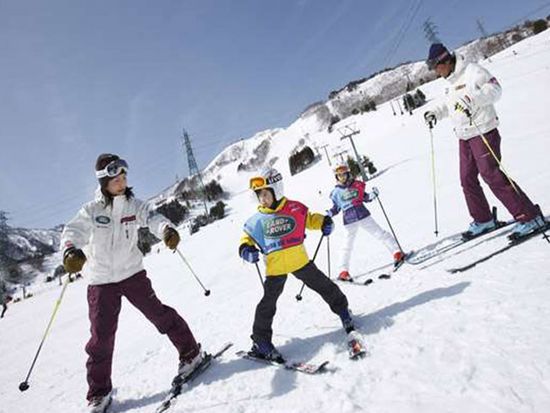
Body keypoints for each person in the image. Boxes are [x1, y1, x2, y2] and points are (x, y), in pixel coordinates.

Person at [61, 154, 203, 413]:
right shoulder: (91, 211)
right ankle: (99, 394)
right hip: (101, 282)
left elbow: (154, 218)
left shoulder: (133, 205)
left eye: (124, 176)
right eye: (116, 178)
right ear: (105, 180)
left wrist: (167, 231)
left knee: (159, 315)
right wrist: (70, 251)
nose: (122, 181)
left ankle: (191, 353)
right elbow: (72, 232)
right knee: (101, 339)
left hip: (132, 274)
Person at [423, 43, 545, 239]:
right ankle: (483, 219)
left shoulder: (472, 71)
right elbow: (450, 106)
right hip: (465, 136)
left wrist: (475, 99)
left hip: (483, 130)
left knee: (491, 175)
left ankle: (529, 216)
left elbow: (496, 89)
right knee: (467, 179)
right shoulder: (451, 82)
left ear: (444, 60)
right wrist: (434, 113)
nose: (436, 72)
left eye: (436, 67)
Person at [239, 167, 359, 361]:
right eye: (259, 195)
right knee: (267, 304)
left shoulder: (295, 208)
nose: (263, 199)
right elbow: (246, 240)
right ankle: (261, 341)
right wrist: (246, 250)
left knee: (325, 286)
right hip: (275, 269)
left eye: (265, 193)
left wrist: (324, 222)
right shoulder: (256, 221)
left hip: (299, 261)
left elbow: (310, 220)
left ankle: (344, 312)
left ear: (276, 190)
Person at [327, 164, 404, 281]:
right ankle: (343, 271)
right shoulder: (336, 192)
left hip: (363, 215)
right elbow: (336, 208)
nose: (342, 177)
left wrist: (373, 195)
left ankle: (397, 253)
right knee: (347, 245)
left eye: (344, 174)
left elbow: (365, 197)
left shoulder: (357, 185)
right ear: (336, 177)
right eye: (339, 175)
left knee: (380, 233)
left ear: (348, 174)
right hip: (349, 220)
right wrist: (329, 214)